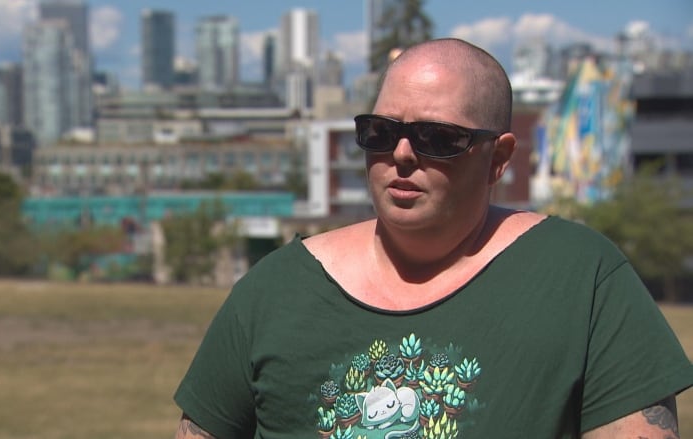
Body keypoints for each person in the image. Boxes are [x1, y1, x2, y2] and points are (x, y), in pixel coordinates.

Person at [174, 38, 692, 438]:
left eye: (438, 139)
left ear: (499, 158)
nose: (401, 154)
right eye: (379, 132)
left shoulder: (583, 279)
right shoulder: (274, 290)